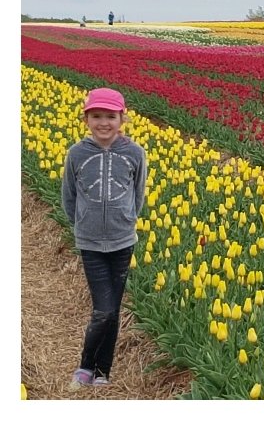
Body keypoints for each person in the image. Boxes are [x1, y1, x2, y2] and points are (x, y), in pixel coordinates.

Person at [61, 88, 148, 390]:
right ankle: (86, 365)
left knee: (113, 308)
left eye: (110, 116)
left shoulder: (135, 153)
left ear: (122, 118)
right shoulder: (77, 153)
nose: (104, 123)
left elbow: (138, 194)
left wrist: (125, 220)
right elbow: (69, 196)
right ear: (87, 118)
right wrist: (82, 224)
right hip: (91, 243)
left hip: (123, 240)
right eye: (96, 116)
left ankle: (103, 371)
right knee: (104, 309)